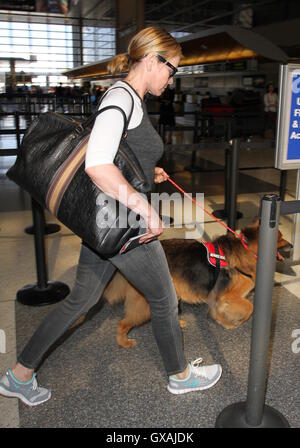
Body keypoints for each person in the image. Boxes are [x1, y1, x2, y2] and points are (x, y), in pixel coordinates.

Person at [0, 26, 222, 407]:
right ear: (152, 61)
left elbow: (117, 155)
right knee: (165, 298)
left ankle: (18, 375)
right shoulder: (122, 98)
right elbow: (98, 165)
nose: (172, 79)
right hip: (122, 224)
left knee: (81, 300)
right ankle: (180, 377)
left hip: (103, 221)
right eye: (172, 69)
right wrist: (144, 207)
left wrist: (147, 171)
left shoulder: (129, 97)